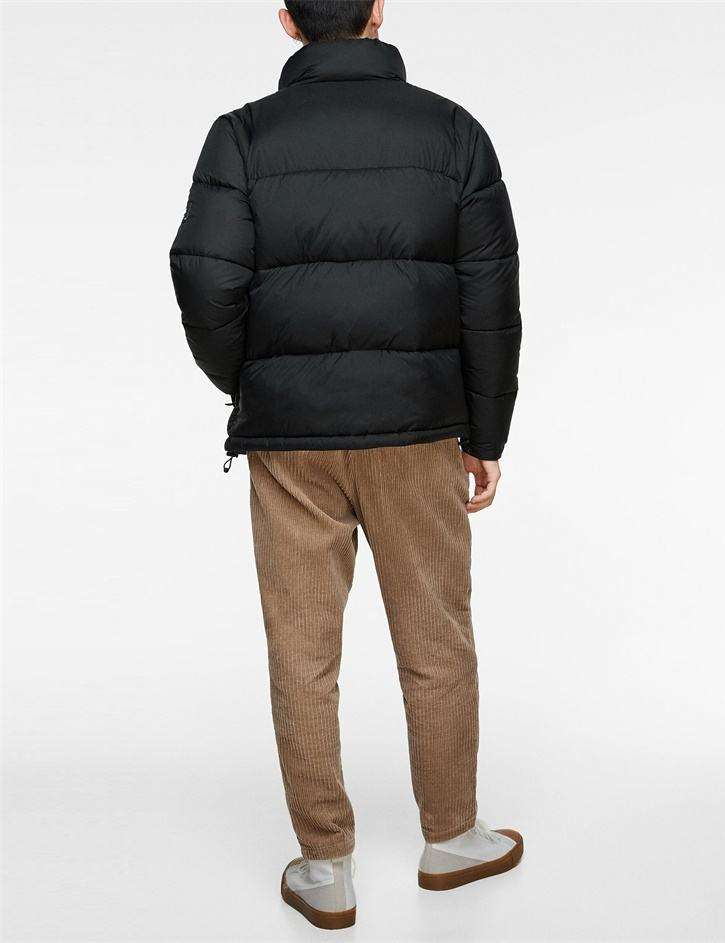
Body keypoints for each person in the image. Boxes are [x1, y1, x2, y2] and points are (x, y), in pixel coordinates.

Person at [170, 0, 522, 929]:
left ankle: (324, 864)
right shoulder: (453, 132)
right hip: (419, 431)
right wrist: (487, 433)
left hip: (292, 443)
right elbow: (491, 293)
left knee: (302, 650)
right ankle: (453, 837)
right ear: (379, 11)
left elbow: (204, 277)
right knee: (437, 639)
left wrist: (259, 379)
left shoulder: (242, 136)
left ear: (288, 22)